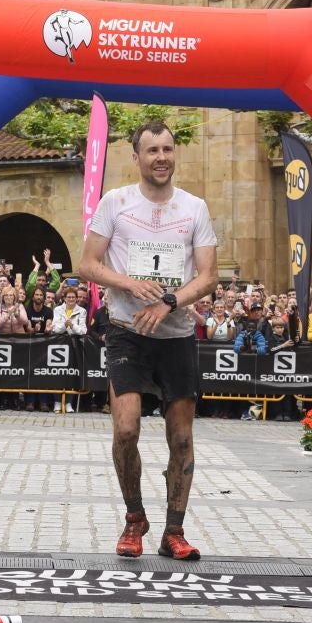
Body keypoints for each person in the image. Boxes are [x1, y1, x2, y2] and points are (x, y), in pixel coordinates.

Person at [79, 120, 218, 561]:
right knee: (126, 429)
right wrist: (129, 283)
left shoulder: (194, 207)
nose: (161, 157)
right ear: (135, 157)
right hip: (126, 331)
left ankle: (173, 530)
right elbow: (86, 264)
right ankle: (134, 517)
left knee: (181, 439)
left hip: (175, 335)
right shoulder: (115, 203)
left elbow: (209, 276)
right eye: (152, 150)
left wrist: (169, 302)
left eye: (168, 150)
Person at [52, 287, 87, 413]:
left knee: (71, 373)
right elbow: (55, 329)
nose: (71, 299)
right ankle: (57, 402)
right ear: (64, 298)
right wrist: (65, 325)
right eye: (69, 297)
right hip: (59, 345)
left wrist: (72, 325)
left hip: (74, 345)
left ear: (76, 298)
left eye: (73, 297)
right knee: (58, 373)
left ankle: (68, 403)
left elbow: (83, 331)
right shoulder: (57, 309)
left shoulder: (82, 311)